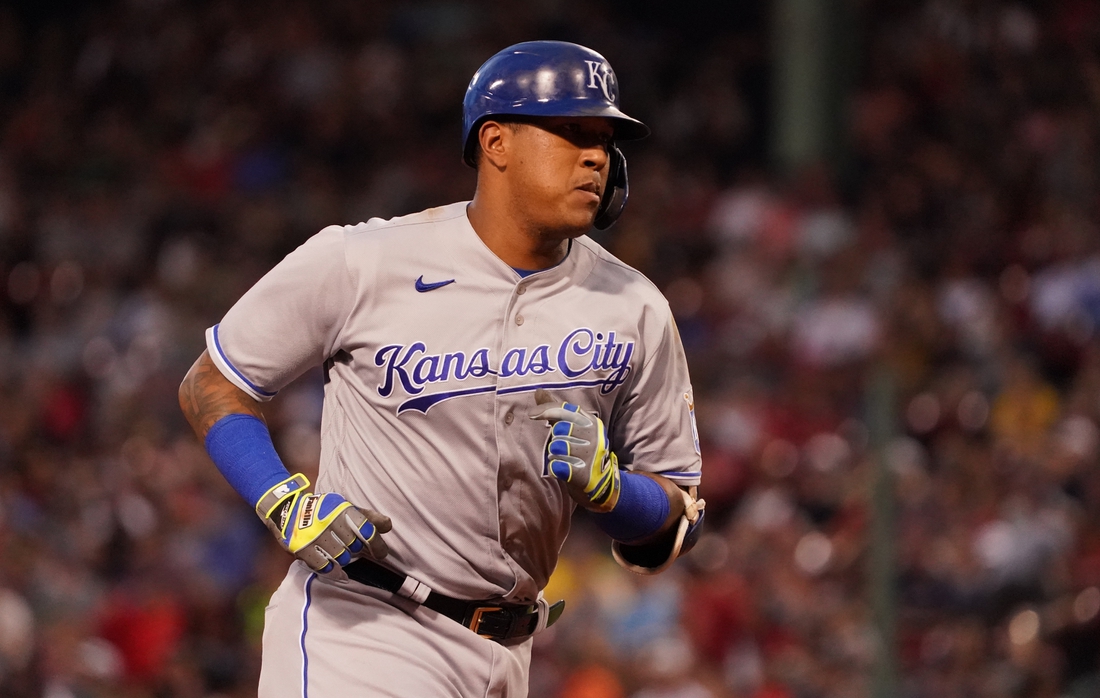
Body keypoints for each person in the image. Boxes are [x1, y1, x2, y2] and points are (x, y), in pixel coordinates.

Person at [178, 40, 704, 697]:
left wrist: (613, 490)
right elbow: (213, 380)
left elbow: (676, 523)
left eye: (604, 137)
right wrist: (282, 500)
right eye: (571, 132)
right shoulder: (363, 261)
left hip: (508, 652)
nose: (597, 155)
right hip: (363, 629)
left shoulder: (635, 306)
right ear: (496, 143)